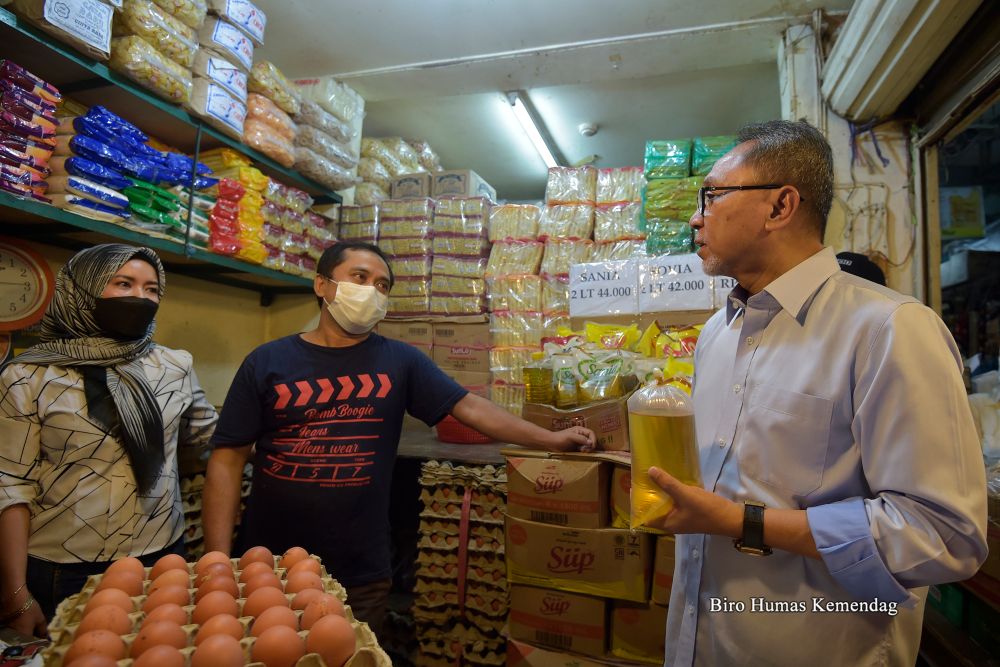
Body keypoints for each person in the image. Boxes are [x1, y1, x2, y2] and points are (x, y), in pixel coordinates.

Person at [647, 120, 987, 666]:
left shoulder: (888, 329)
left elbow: (943, 535)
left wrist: (741, 522)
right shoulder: (717, 333)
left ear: (780, 207)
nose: (695, 217)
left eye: (712, 196)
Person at [203, 241, 595, 635]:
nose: (372, 291)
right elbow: (228, 459)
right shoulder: (266, 361)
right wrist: (217, 560)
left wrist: (550, 438)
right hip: (266, 562)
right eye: (360, 277)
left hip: (358, 568)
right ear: (322, 285)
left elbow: (471, 408)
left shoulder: (401, 362)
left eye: (383, 285)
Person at [0, 244, 218, 636]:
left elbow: (212, 435)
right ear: (82, 290)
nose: (141, 297)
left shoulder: (173, 366)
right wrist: (16, 593)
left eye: (152, 289)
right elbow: (10, 485)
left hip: (161, 556)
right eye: (123, 283)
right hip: (63, 568)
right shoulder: (28, 376)